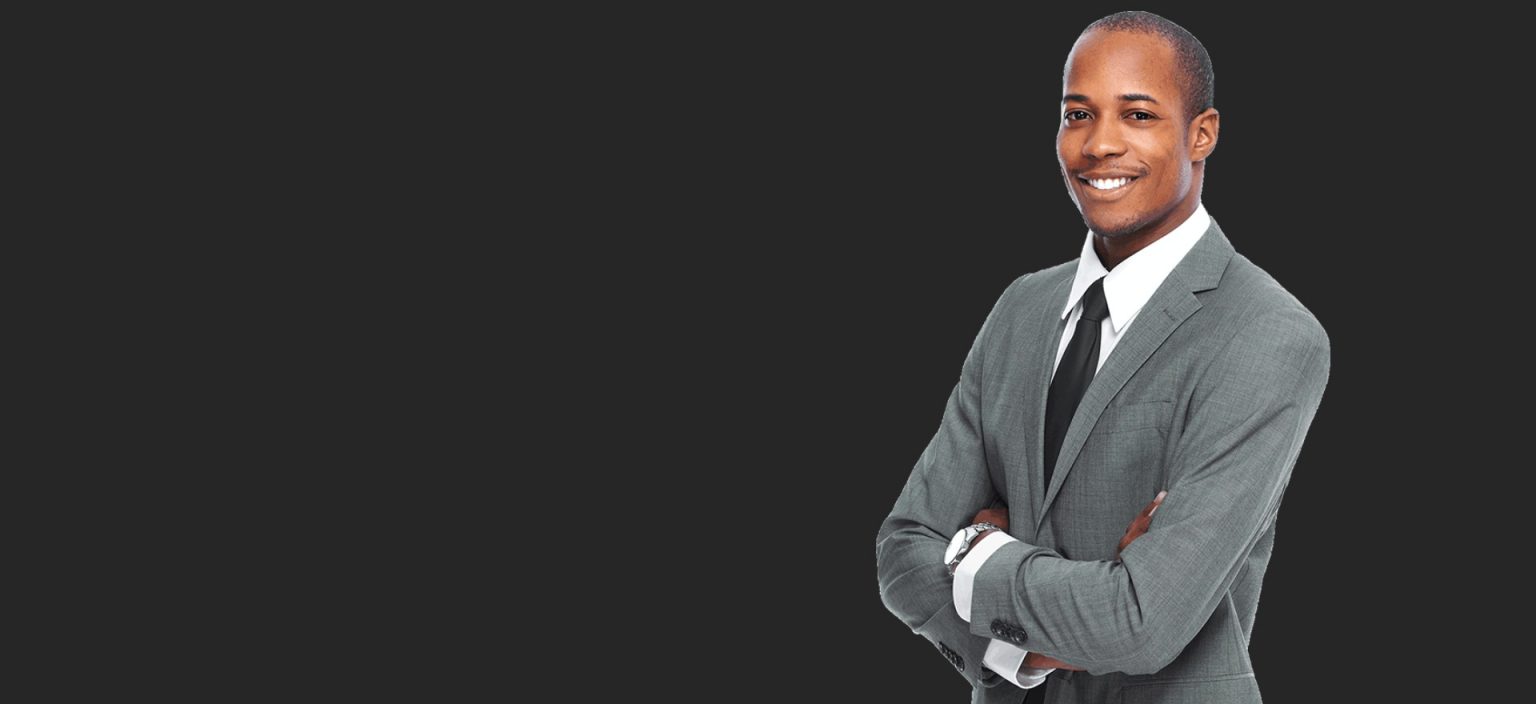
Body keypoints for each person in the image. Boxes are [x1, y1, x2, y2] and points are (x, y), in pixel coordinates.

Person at [874, 11, 1330, 704]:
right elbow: (904, 550)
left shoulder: (1268, 332)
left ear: (1201, 134)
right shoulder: (1022, 307)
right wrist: (1022, 651)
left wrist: (973, 554)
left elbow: (1142, 621)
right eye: (1078, 115)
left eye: (1138, 115)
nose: (1099, 144)